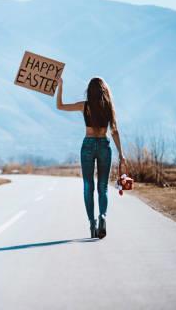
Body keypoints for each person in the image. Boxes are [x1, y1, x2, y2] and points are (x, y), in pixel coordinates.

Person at [55, 76, 126, 239]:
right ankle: (103, 216)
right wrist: (121, 154)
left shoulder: (84, 106)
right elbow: (114, 131)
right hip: (103, 145)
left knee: (88, 186)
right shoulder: (108, 106)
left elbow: (60, 106)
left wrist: (60, 86)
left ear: (89, 91)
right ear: (104, 90)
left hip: (87, 145)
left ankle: (92, 223)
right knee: (103, 187)